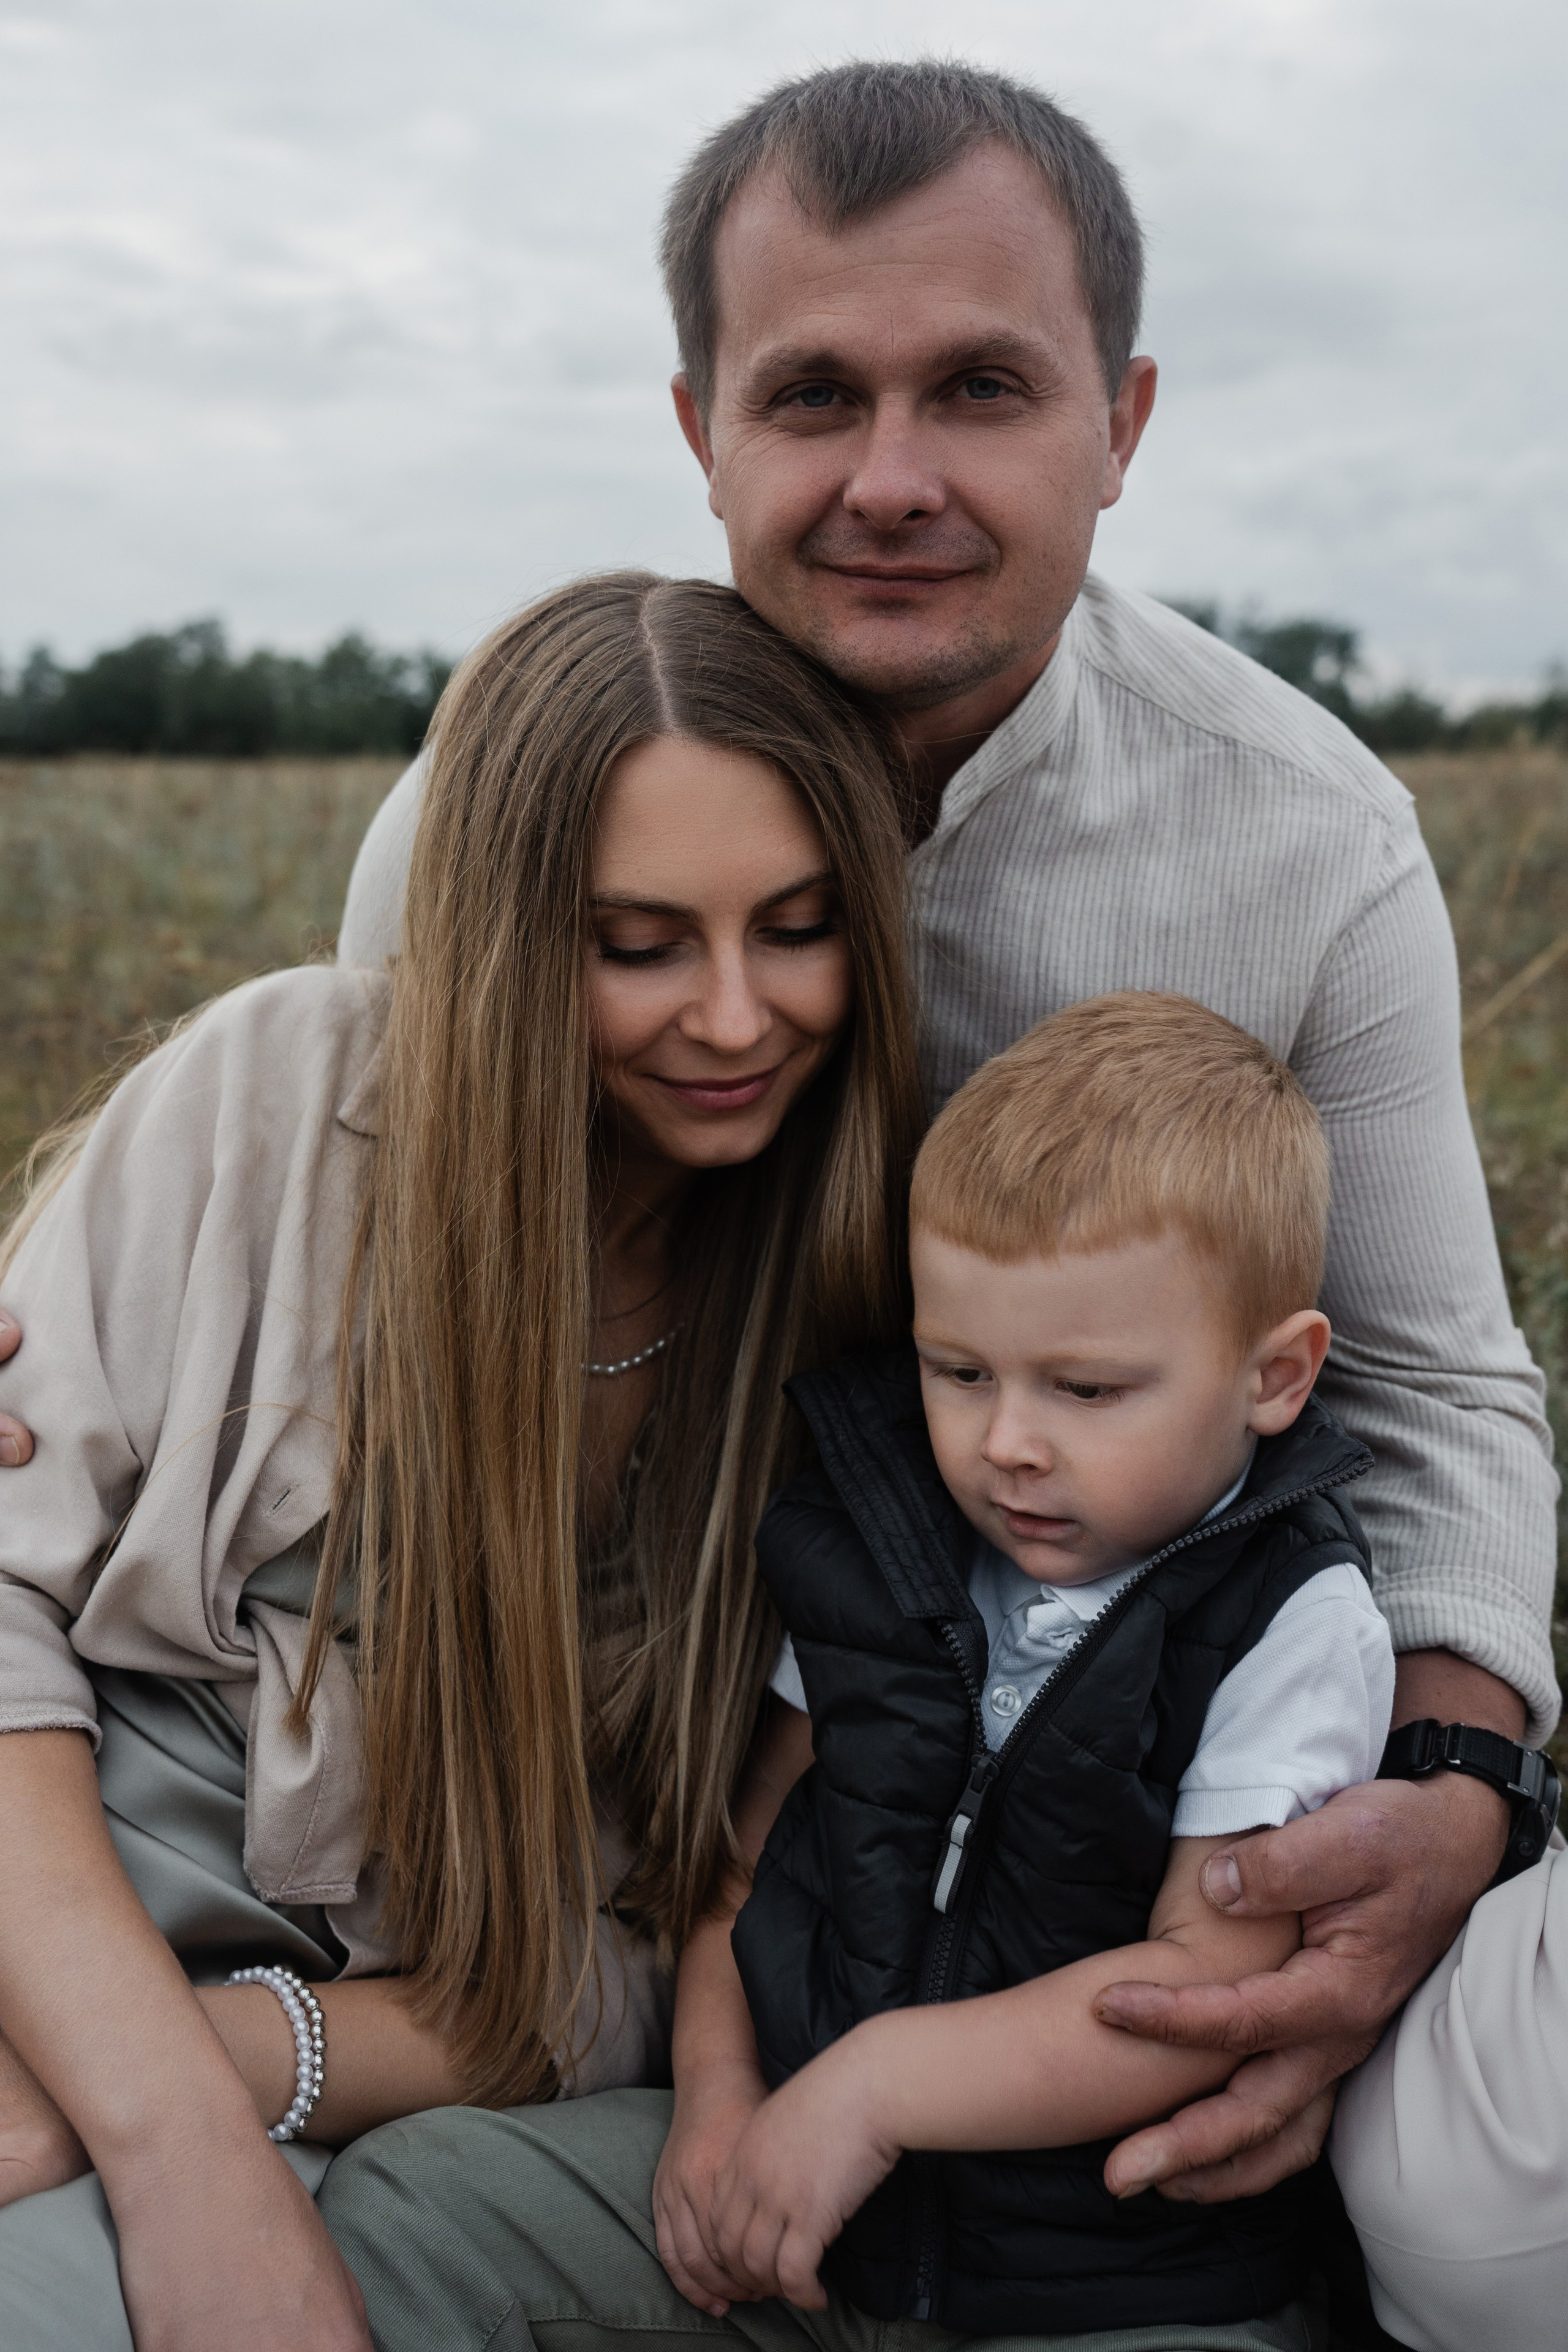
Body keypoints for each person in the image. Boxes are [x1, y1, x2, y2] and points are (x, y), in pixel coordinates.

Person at [3, 43, 1561, 2230]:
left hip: (1120, 1744)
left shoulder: (1306, 843)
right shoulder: (483, 815)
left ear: (1121, 422)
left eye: (986, 391)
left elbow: (1433, 1386)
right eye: (815, 395)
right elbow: (356, 1235)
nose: (892, 477)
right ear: (700, 431)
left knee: (1479, 2216)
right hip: (579, 1793)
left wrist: (1461, 1777)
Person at [0, 572, 924, 2350]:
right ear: (505, 935)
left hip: (402, 2088)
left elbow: (680, 1944)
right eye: (639, 944)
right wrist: (167, 2129)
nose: (734, 1021)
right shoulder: (277, 1092)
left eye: (797, 928)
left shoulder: (866, 1308)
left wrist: (225, 2081)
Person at [315, 991, 1396, 2352]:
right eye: (957, 1370)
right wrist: (717, 2108)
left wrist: (874, 2091)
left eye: (1087, 1390)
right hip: (804, 2201)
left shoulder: (1287, 1618)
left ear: (1274, 1377)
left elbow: (1198, 1996)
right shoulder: (882, 1539)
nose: (1005, 1443)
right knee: (415, 2207)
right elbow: (746, 1863)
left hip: (1111, 2281)